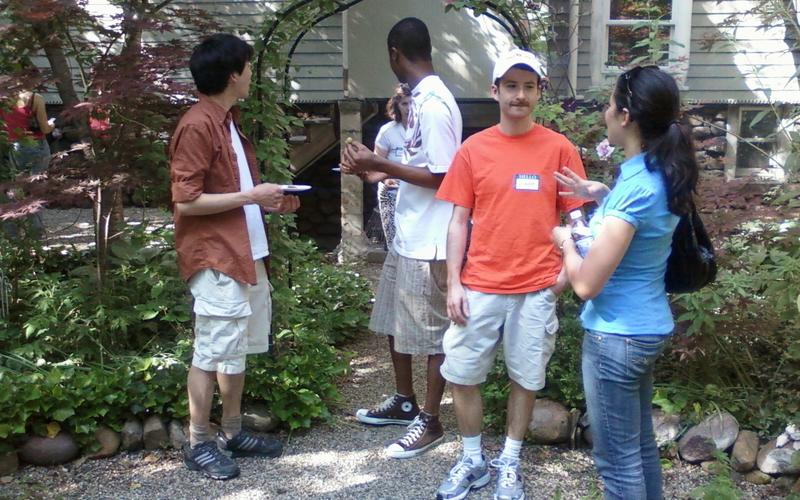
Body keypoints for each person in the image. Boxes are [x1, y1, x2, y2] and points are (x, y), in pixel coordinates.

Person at [434, 49, 588, 500]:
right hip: (479, 285)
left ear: (539, 91)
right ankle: (471, 459)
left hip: (536, 287)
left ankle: (510, 461)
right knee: (463, 374)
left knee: (526, 378)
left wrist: (562, 276)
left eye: (529, 86)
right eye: (511, 86)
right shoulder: (473, 149)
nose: (519, 95)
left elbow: (577, 219)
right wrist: (454, 281)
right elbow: (458, 221)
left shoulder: (559, 148)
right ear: (495, 90)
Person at [551, 66, 699, 500]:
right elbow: (639, 219)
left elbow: (587, 285)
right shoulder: (656, 169)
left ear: (626, 115)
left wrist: (564, 241)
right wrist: (599, 194)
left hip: (617, 336)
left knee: (617, 464)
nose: (606, 110)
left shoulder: (638, 187)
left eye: (610, 102)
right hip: (644, 327)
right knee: (639, 448)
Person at [170, 33, 300, 481]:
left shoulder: (228, 120)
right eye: (247, 67)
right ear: (232, 74)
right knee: (209, 352)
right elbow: (185, 202)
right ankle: (198, 442)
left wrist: (269, 200)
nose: (250, 75)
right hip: (216, 258)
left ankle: (231, 431)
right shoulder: (197, 125)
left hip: (245, 254)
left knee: (236, 350)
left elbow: (233, 194)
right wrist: (250, 195)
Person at [341, 17, 462, 459]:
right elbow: (416, 167)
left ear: (395, 53)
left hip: (431, 241)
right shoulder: (419, 100)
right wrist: (371, 167)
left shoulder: (435, 104)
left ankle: (430, 422)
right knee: (394, 322)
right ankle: (404, 401)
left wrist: (383, 165)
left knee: (432, 337)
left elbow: (446, 176)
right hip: (407, 234)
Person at [373, 83, 411, 247]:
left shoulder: (425, 129)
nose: (409, 108)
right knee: (394, 243)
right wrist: (384, 180)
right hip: (391, 190)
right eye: (404, 104)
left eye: (412, 103)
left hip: (415, 189)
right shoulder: (387, 131)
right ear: (397, 106)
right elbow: (376, 163)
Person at [1, 89, 54, 175]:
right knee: (37, 181)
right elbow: (45, 129)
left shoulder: (3, 98)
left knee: (19, 181)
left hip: (14, 146)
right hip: (36, 145)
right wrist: (52, 125)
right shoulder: (35, 98)